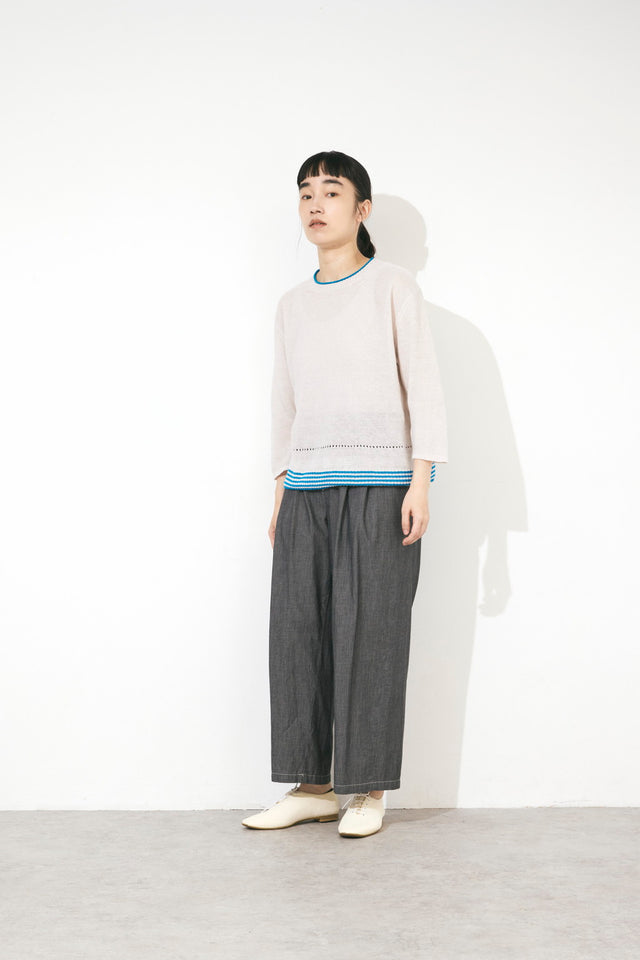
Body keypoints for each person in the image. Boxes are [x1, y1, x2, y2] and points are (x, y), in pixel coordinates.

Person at [242, 150, 448, 838]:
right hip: (306, 487)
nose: (315, 204)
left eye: (331, 192)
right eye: (305, 192)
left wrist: (421, 479)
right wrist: (280, 487)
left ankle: (367, 790)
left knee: (372, 636)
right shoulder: (292, 305)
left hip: (382, 485)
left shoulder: (393, 286)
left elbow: (424, 386)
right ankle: (312, 786)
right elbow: (284, 401)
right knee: (297, 636)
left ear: (362, 209)